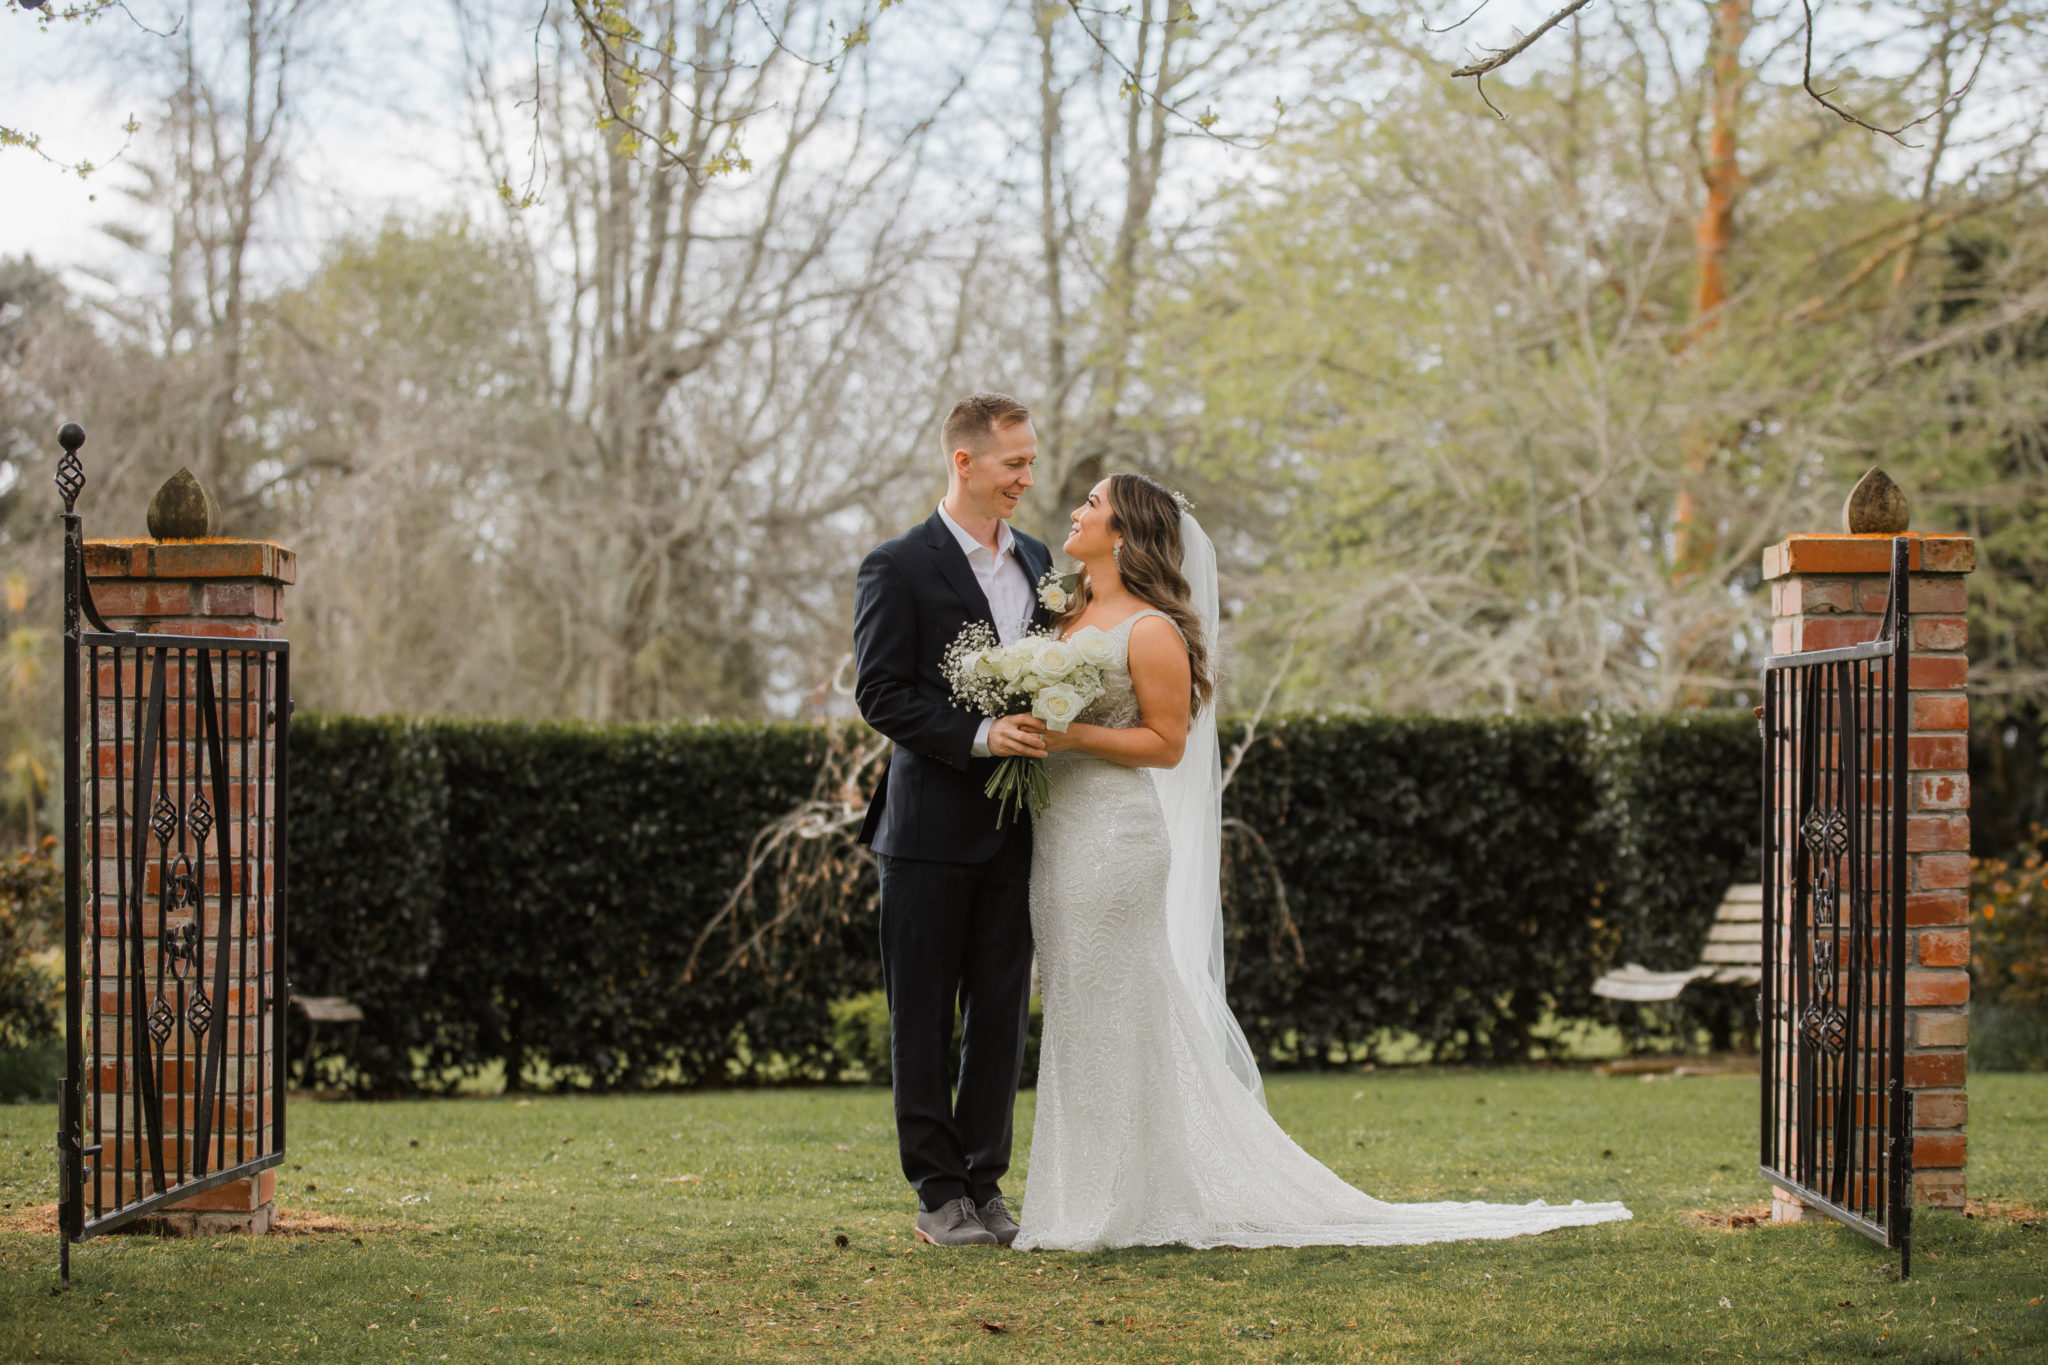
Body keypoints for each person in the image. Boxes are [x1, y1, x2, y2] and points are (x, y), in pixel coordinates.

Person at [1013, 472, 1634, 1251]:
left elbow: (1166, 744)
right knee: (1078, 1009)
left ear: (1125, 532)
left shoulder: (1149, 628)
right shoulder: (1065, 612)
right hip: (1059, 835)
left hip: (1115, 840)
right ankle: (1091, 1197)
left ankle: (1113, 1207)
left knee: (1115, 1012)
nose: (1075, 511)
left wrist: (1074, 737)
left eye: (1093, 504)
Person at [851, 392, 1053, 1247]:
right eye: (1014, 463)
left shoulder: (1041, 559)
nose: (1027, 477)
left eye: (1032, 462)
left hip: (1017, 832)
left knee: (1001, 1017)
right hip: (927, 833)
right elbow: (881, 692)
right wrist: (978, 733)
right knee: (925, 1019)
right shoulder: (896, 565)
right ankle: (939, 1193)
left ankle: (986, 1183)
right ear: (964, 462)